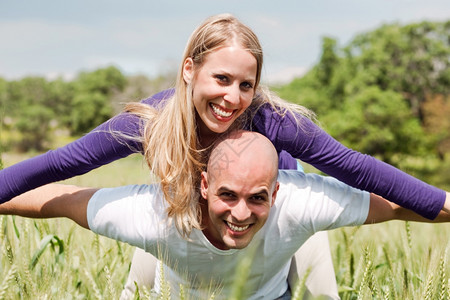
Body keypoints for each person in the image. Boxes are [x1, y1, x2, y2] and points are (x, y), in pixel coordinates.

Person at [0, 12, 449, 298]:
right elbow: (61, 165)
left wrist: (440, 203)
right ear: (189, 70)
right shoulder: (150, 122)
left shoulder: (274, 120)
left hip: (279, 231)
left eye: (245, 85)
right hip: (185, 228)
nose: (233, 98)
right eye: (221, 79)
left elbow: (354, 166)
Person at [2, 131, 449, 299]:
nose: (240, 213)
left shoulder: (301, 200)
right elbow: (61, 195)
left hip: (276, 281)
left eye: (257, 197)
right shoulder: (151, 213)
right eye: (227, 195)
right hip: (171, 279)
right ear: (201, 186)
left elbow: (395, 203)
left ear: (275, 191)